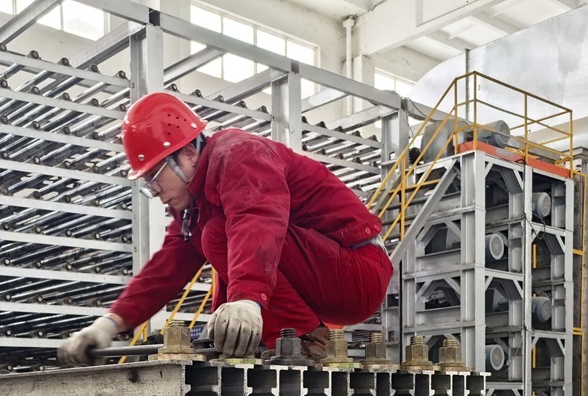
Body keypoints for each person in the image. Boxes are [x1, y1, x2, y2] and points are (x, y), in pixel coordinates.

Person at [58, 91, 393, 365]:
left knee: (219, 234)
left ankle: (301, 341)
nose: (155, 192)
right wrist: (109, 324)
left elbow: (257, 218)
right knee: (216, 240)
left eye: (154, 178)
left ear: (187, 154)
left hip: (358, 272)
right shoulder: (195, 206)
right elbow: (165, 269)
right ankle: (250, 340)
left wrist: (248, 300)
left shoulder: (238, 153)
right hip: (325, 277)